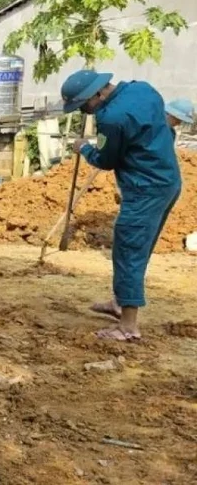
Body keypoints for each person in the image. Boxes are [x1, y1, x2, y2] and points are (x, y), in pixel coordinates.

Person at [62, 70, 181, 342]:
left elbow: (106, 160)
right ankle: (120, 300)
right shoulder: (143, 89)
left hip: (145, 189)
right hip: (168, 181)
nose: (85, 113)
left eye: (84, 106)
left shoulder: (111, 118)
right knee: (136, 248)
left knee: (129, 250)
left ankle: (127, 325)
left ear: (97, 94)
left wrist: (84, 148)